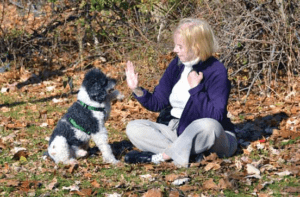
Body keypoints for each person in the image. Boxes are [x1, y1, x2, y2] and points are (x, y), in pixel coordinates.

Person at [124, 18, 237, 167]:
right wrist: (136, 89)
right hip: (177, 131)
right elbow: (158, 101)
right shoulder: (177, 64)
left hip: (212, 136)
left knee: (209, 126)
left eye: (180, 46)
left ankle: (161, 157)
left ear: (196, 47)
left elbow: (216, 116)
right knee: (133, 128)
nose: (175, 50)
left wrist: (196, 90)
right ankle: (188, 155)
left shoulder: (217, 70)